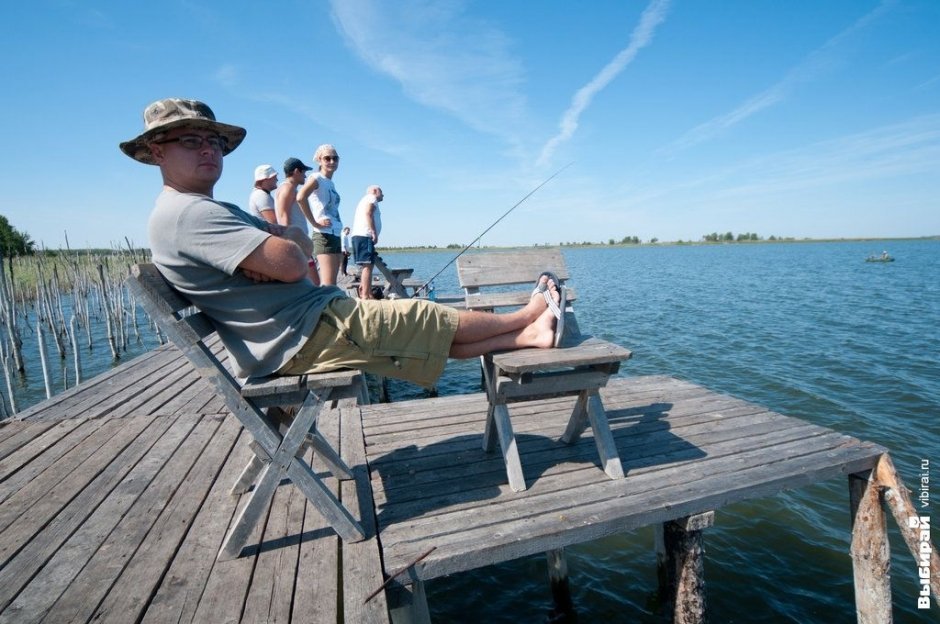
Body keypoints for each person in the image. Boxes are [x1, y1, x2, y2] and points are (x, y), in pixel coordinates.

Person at [120, 98, 561, 390]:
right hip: (301, 335)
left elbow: (290, 248)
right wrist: (283, 246)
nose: (208, 150)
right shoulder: (189, 214)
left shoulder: (197, 209)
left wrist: (284, 243)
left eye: (213, 141)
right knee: (423, 315)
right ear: (157, 152)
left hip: (298, 331)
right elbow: (293, 262)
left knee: (429, 334)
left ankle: (532, 335)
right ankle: (528, 313)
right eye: (190, 140)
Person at [298, 144, 343, 286]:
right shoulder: (317, 178)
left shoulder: (330, 183)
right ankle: (324, 308)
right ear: (319, 160)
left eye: (335, 158)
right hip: (324, 235)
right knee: (328, 284)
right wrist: (315, 223)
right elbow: (300, 197)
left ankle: (332, 308)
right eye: (327, 158)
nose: (332, 161)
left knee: (333, 283)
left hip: (334, 233)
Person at [276, 157, 320, 284]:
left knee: (307, 283)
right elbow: (284, 215)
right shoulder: (288, 188)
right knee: (314, 283)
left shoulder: (286, 188)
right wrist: (289, 244)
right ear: (296, 171)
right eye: (304, 172)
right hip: (297, 243)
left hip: (298, 241)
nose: (305, 176)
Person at [350, 185, 384, 299]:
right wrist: (373, 233)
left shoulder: (365, 200)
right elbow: (368, 213)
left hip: (359, 236)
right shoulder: (371, 198)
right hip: (364, 235)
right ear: (375, 191)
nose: (383, 194)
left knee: (367, 265)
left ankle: (367, 292)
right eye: (381, 191)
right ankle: (365, 295)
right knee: (368, 266)